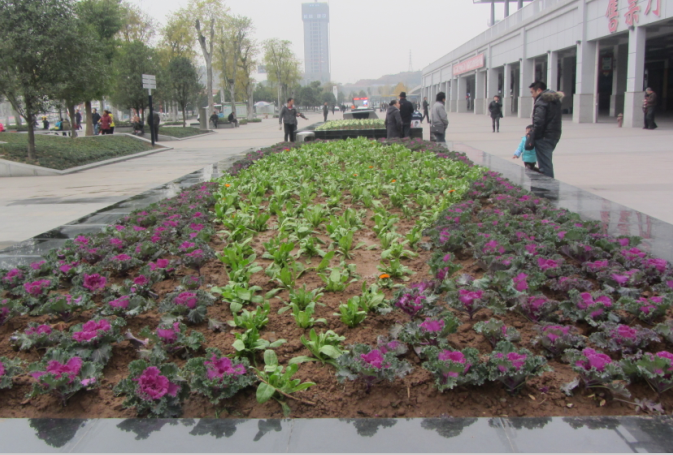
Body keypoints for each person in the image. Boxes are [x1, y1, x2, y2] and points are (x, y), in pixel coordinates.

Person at [529, 81, 563, 178]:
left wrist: (534, 136)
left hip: (544, 136)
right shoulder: (554, 100)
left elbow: (539, 122)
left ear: (539, 90)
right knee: (546, 161)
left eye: (532, 92)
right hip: (553, 135)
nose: (532, 95)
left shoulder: (541, 101)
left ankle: (548, 185)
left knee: (545, 165)